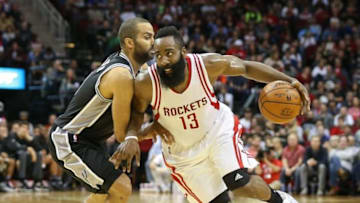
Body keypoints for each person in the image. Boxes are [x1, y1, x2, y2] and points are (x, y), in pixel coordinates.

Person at [123, 26, 310, 203]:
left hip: (217, 131)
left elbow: (246, 68)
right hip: (182, 153)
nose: (164, 60)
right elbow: (137, 113)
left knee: (240, 184)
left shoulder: (207, 65)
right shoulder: (146, 82)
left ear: (183, 51)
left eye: (169, 53)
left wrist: (290, 80)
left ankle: (281, 200)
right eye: (158, 55)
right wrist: (131, 136)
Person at [48, 17, 171, 203]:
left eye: (153, 36)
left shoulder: (138, 67)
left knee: (104, 193)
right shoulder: (121, 75)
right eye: (147, 37)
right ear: (130, 43)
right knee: (121, 188)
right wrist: (152, 130)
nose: (153, 42)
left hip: (93, 140)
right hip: (70, 139)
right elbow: (121, 135)